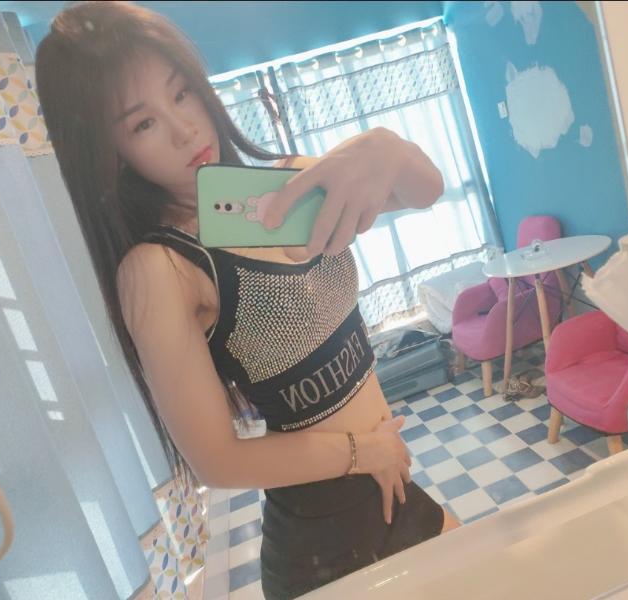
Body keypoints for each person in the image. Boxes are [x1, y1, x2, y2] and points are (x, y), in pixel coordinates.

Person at [35, 2, 460, 598]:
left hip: (392, 482)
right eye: (143, 123)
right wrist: (363, 450)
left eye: (181, 93)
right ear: (110, 152)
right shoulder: (160, 269)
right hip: (324, 539)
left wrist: (385, 146)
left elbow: (425, 191)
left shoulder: (289, 181)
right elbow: (217, 461)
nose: (184, 129)